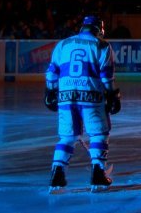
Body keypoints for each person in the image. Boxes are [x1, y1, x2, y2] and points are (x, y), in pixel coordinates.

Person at [45, 14, 120, 192]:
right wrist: (112, 94)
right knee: (99, 134)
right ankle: (98, 173)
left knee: (67, 137)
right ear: (99, 29)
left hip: (66, 96)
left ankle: (57, 173)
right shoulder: (101, 45)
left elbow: (51, 73)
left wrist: (50, 91)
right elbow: (106, 77)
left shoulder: (63, 44)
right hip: (91, 96)